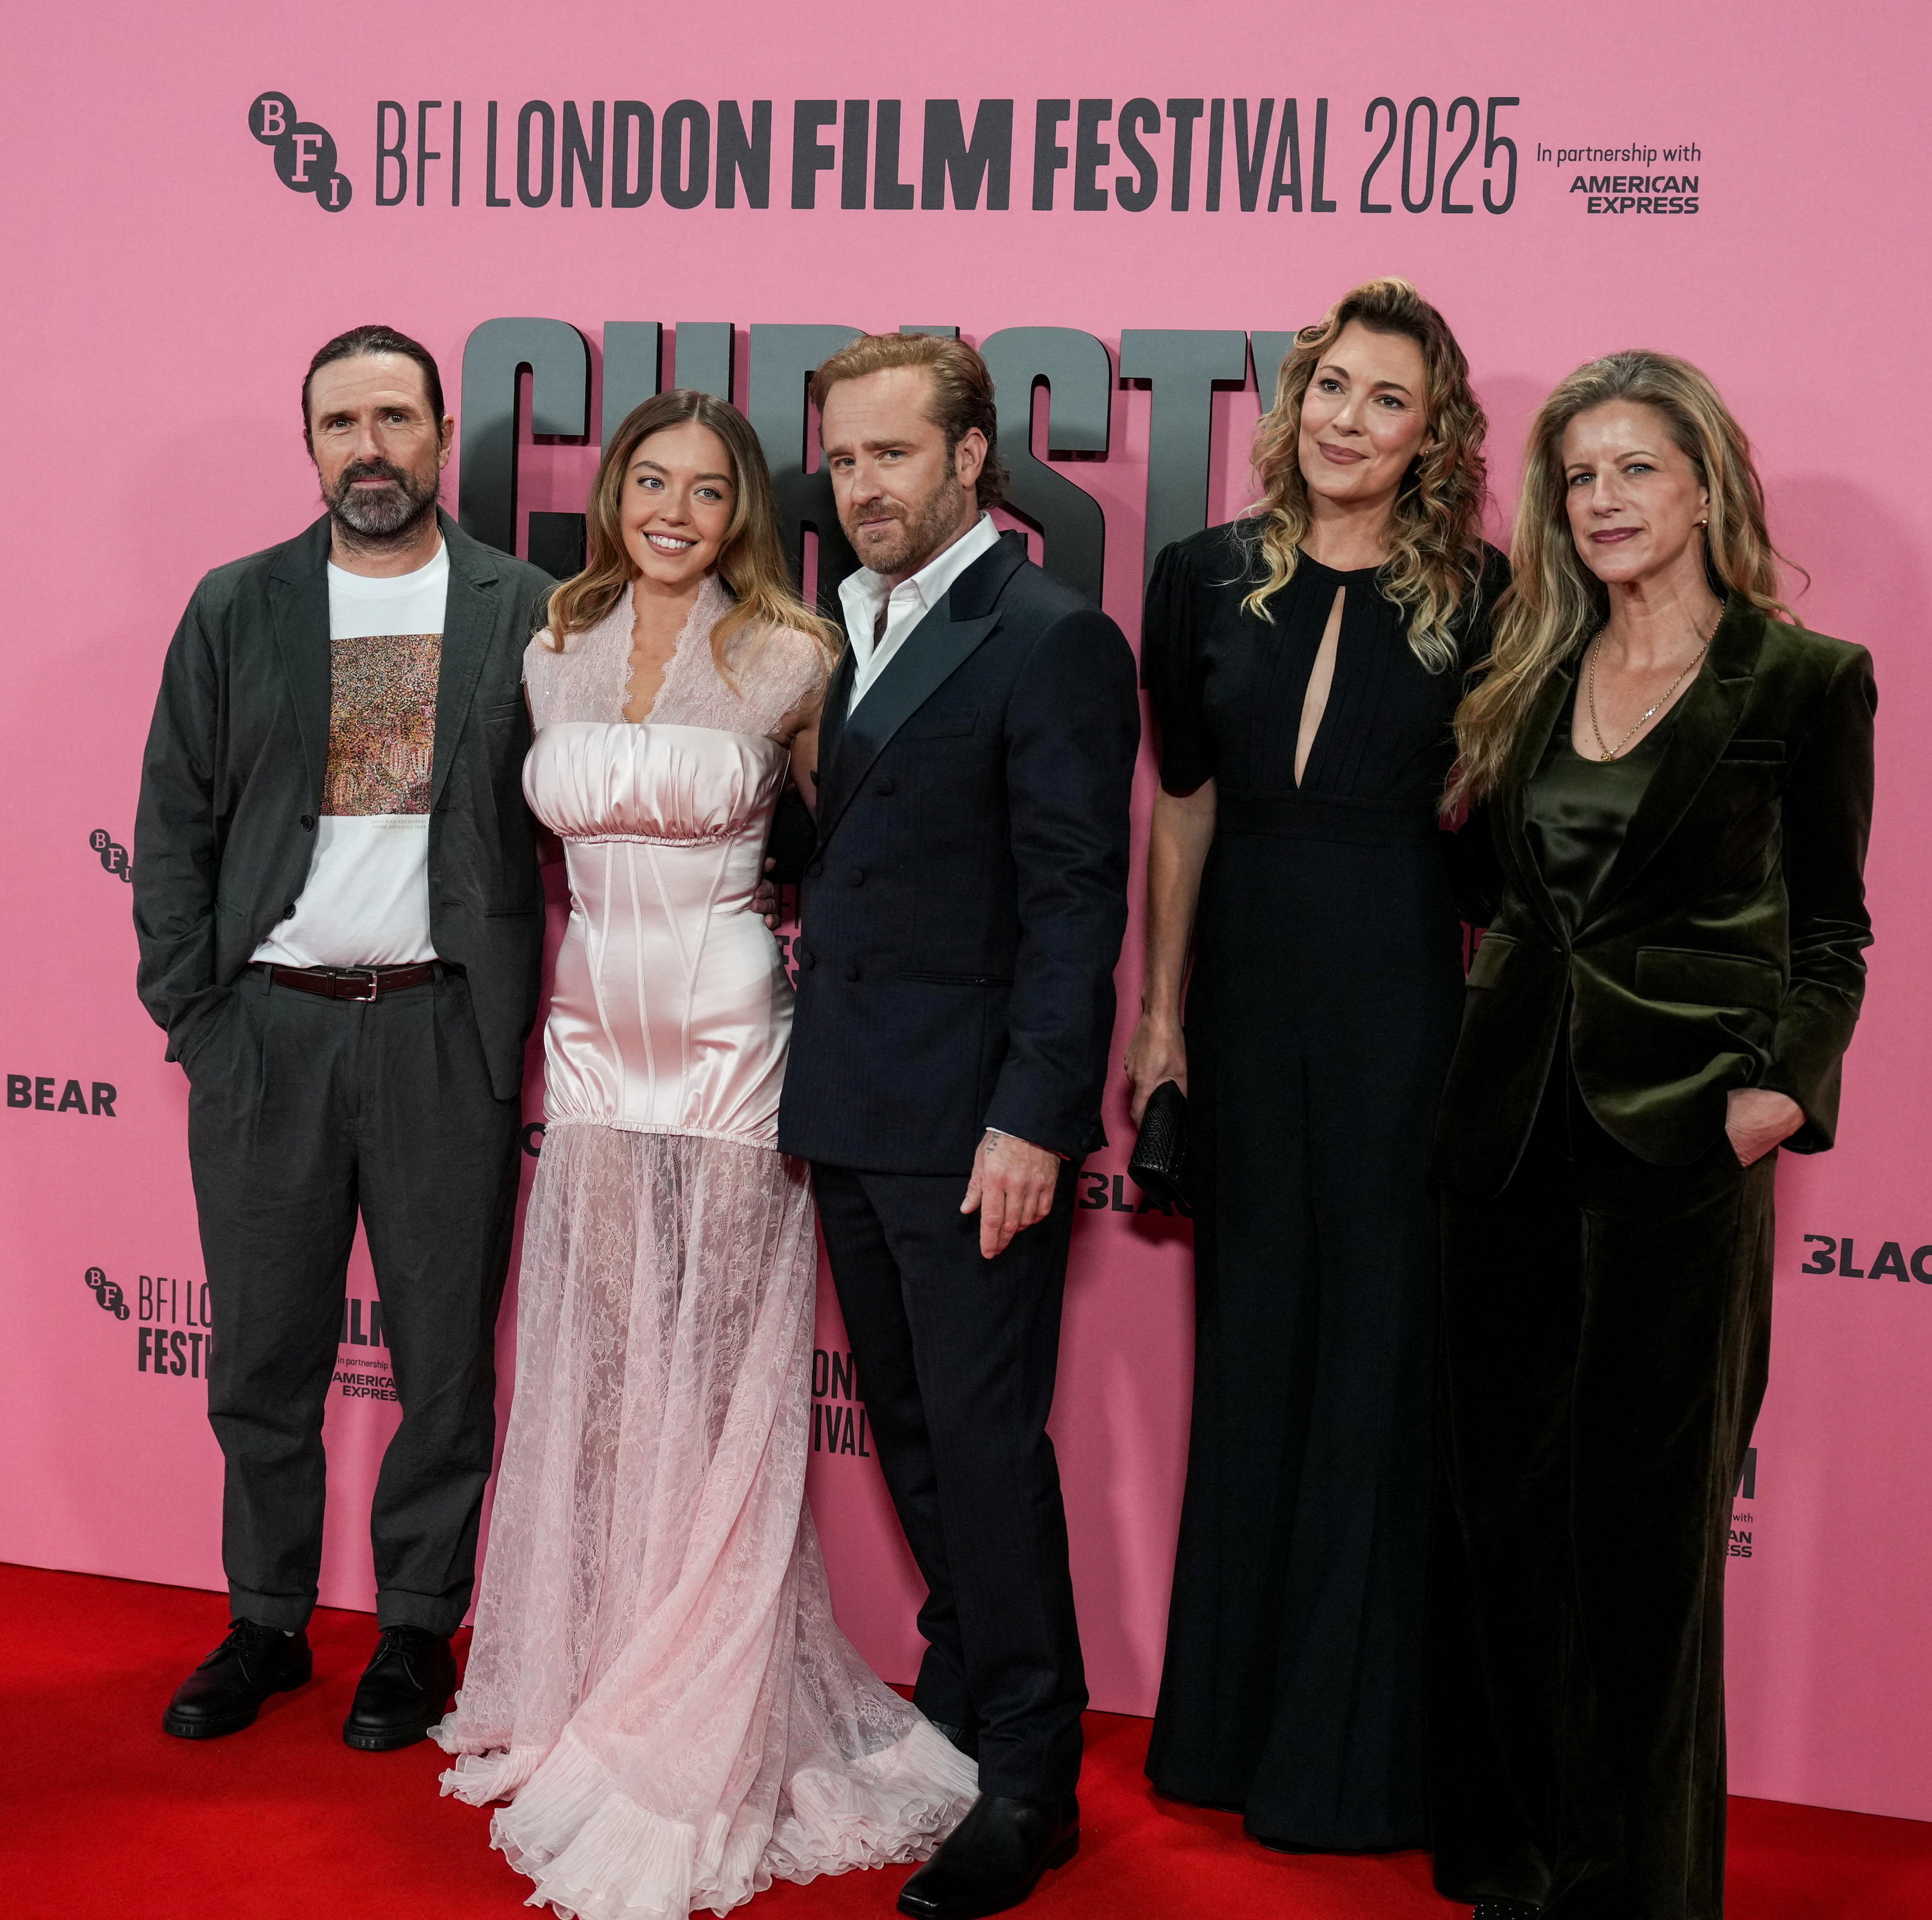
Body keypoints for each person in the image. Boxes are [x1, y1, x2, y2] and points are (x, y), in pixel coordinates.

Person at [436, 390, 978, 1918]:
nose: (676, 508)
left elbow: (871, 858)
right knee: (604, 1361)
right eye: (650, 481)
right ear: (614, 494)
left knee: (731, 1368)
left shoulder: (800, 654)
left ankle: (706, 1691)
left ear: (745, 510)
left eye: (708, 488)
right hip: (592, 1032)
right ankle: (599, 1661)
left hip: (736, 1039)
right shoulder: (550, 640)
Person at [1427, 351, 1876, 1919]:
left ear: (1706, 486)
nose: (1603, 501)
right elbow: (1496, 899)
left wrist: (1774, 1094)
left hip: (1680, 1148)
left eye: (1633, 470)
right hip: (1504, 1141)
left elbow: (1835, 932)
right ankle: (1522, 1858)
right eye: (1578, 478)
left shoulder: (1806, 680)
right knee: (1506, 1519)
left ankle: (1640, 1885)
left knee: (1648, 1538)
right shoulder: (1528, 666)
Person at [132, 324, 556, 1752]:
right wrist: (197, 1014)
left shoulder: (527, 606)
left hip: (443, 1031)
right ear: (307, 444)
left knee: (443, 1357)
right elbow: (173, 820)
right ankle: (266, 1618)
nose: (366, 447)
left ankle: (417, 1630)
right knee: (261, 1349)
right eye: (338, 424)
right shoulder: (236, 604)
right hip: (270, 1033)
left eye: (393, 417)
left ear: (442, 435)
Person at [1123, 277, 1506, 1853]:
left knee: (1379, 1369)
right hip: (1246, 1000)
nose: (1350, 421)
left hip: (1406, 1001)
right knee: (1256, 1349)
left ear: (1434, 436)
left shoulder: (1485, 597)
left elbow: (1495, 835)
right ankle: (1224, 1726)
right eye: (1334, 387)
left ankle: (1351, 1755)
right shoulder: (1202, 577)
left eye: (1388, 400)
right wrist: (1159, 1021)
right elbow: (1189, 804)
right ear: (1297, 403)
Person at [778, 332, 1141, 1920]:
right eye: (844, 459)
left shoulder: (1047, 634)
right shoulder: (837, 629)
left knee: (985, 1447)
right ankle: (973, 1694)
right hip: (851, 1099)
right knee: (917, 1432)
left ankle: (1032, 1778)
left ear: (974, 455)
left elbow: (1077, 905)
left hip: (974, 1122)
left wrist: (1034, 1118)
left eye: (894, 455)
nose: (863, 486)